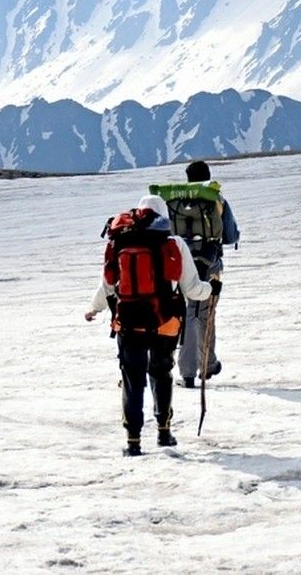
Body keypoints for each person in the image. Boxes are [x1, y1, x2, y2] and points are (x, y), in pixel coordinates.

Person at [85, 194, 221, 456]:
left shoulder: (120, 241)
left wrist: (94, 309)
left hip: (128, 323)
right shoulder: (173, 242)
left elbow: (108, 285)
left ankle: (133, 441)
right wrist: (211, 288)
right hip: (164, 322)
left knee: (132, 379)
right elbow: (192, 289)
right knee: (161, 373)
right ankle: (164, 431)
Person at [176, 160, 239, 389]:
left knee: (188, 314)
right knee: (206, 313)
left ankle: (188, 372)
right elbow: (230, 235)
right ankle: (208, 365)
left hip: (183, 265)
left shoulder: (176, 200)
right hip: (211, 265)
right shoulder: (217, 200)